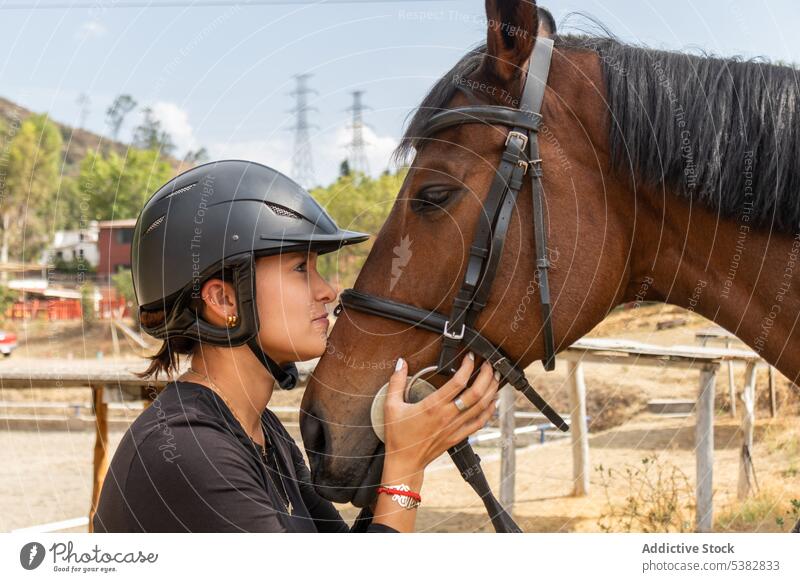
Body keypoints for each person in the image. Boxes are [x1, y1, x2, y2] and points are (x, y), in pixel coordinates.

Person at [92, 159, 500, 533]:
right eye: (301, 268)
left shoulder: (262, 432)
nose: (328, 291)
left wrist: (411, 446)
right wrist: (404, 472)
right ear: (223, 300)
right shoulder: (188, 453)